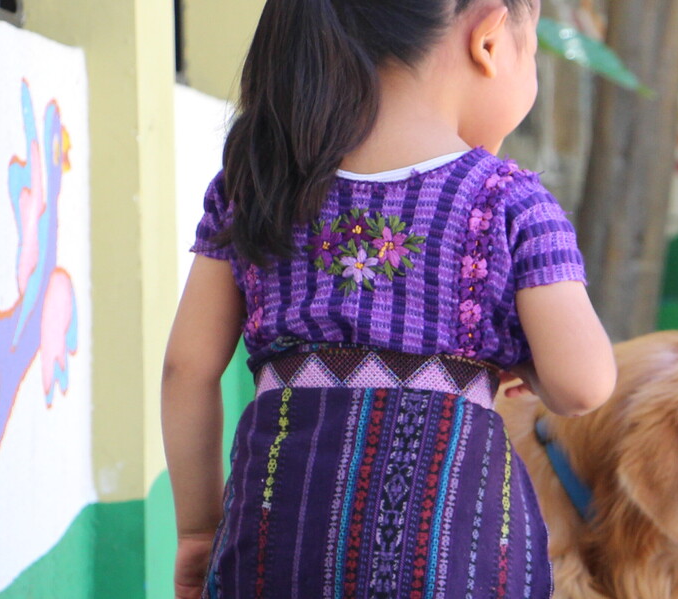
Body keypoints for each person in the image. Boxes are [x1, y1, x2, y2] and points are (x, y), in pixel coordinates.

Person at [159, 0, 617, 597]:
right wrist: (528, 361)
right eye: (531, 55)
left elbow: (185, 369)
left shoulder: (255, 186)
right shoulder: (512, 202)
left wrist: (199, 529)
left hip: (275, 538)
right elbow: (584, 384)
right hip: (451, 551)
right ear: (489, 38)